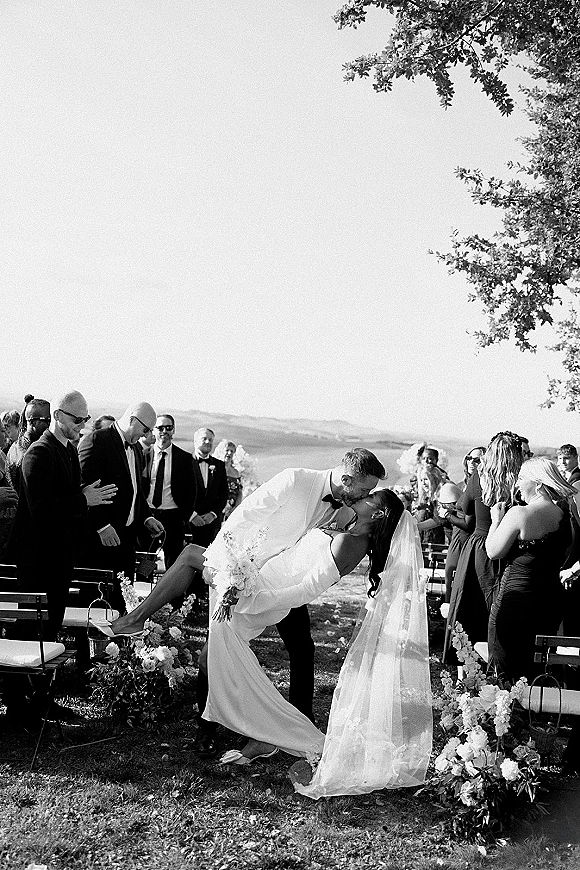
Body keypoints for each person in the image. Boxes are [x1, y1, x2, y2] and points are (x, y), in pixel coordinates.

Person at [112, 448, 386, 757]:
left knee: (301, 647)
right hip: (245, 573)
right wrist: (227, 569)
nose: (367, 495)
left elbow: (335, 550)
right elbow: (243, 518)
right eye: (364, 490)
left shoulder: (348, 509)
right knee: (212, 649)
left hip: (281, 583)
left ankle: (299, 718)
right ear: (347, 479)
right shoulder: (294, 480)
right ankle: (209, 731)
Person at [4, 391, 117, 726]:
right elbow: (41, 510)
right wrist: (83, 500)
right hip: (36, 560)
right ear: (59, 415)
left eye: (85, 420)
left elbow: (68, 501)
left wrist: (86, 506)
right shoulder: (39, 453)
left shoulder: (66, 451)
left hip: (58, 558)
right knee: (29, 630)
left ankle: (41, 701)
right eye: (78, 420)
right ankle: (17, 703)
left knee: (49, 629)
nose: (83, 427)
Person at [486, 458, 575, 682]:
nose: (517, 485)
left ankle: (505, 714)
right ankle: (532, 714)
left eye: (521, 479)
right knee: (535, 666)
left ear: (537, 484)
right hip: (549, 603)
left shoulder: (520, 514)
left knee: (504, 665)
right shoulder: (565, 515)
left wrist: (495, 521)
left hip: (515, 602)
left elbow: (493, 551)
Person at [443, 432, 523, 662]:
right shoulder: (520, 480)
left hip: (479, 546)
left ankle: (465, 670)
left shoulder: (480, 476)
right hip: (509, 547)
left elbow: (464, 507)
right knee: (498, 608)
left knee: (471, 607)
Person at [78, 402, 165, 611]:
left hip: (125, 541)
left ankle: (118, 643)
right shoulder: (97, 440)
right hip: (99, 542)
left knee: (121, 602)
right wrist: (101, 526)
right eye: (146, 429)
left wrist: (147, 517)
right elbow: (83, 488)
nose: (147, 435)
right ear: (133, 419)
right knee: (97, 605)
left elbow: (136, 492)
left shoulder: (135, 448)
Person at [144, 414, 196, 568]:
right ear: (154, 430)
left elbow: (192, 492)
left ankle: (171, 592)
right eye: (160, 427)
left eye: (169, 428)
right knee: (146, 560)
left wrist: (183, 518)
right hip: (148, 515)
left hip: (173, 517)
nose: (164, 431)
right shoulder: (143, 455)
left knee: (173, 563)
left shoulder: (185, 458)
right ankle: (142, 591)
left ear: (173, 431)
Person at [187, 428, 229, 601]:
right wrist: (192, 515)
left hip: (210, 523)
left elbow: (223, 494)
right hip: (188, 522)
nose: (208, 442)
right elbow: (180, 491)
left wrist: (213, 514)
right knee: (187, 559)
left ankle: (202, 597)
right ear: (196, 440)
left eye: (211, 440)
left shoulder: (218, 466)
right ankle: (186, 596)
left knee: (208, 559)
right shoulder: (185, 462)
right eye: (204, 439)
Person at [6, 395, 51, 496]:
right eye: (47, 420)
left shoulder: (22, 445)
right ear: (32, 422)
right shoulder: (30, 453)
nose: (51, 425)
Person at [213, 440, 243, 520]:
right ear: (221, 451)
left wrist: (235, 509)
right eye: (227, 450)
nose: (229, 453)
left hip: (231, 512)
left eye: (232, 451)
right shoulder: (214, 469)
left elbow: (239, 492)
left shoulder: (236, 473)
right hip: (215, 510)